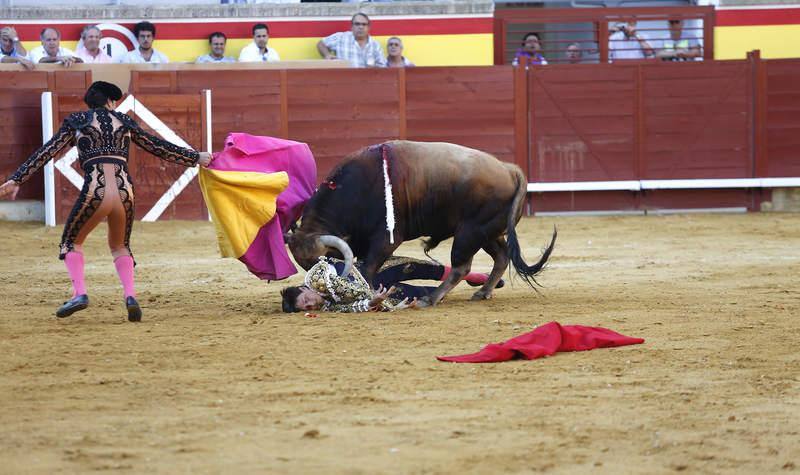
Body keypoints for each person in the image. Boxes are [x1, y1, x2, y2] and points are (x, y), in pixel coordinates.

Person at [0, 81, 213, 321]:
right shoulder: (125, 121)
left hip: (96, 190)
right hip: (125, 192)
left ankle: (80, 293)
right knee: (120, 245)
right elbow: (158, 147)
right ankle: (130, 295)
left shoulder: (77, 121)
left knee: (71, 241)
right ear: (111, 102)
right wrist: (195, 157)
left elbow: (47, 152)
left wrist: (17, 179)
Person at [281, 256, 503, 313]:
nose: (312, 305)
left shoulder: (315, 277)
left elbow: (335, 280)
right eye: (308, 308)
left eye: (306, 300)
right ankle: (463, 281)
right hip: (382, 293)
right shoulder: (328, 307)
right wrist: (372, 302)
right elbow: (352, 308)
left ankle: (476, 277)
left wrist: (366, 297)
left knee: (424, 268)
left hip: (373, 270)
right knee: (428, 294)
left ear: (302, 289)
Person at [317, 13, 386, 68]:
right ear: (351, 26)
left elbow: (383, 67)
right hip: (345, 81)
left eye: (364, 24)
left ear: (369, 27)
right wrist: (327, 55)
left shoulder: (375, 45)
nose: (360, 27)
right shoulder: (341, 37)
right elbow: (321, 43)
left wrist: (373, 68)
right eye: (357, 24)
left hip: (367, 81)